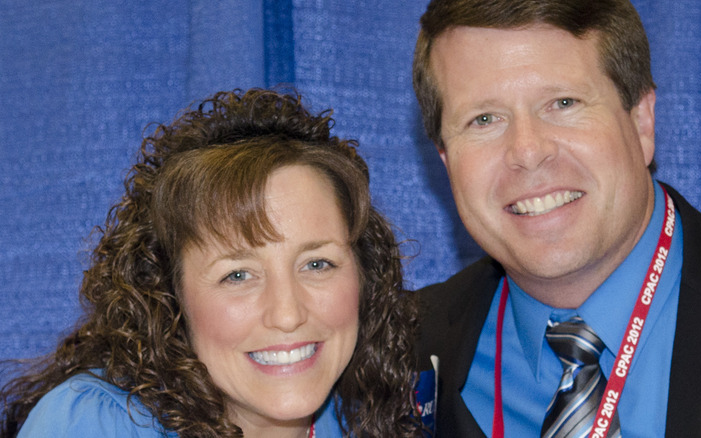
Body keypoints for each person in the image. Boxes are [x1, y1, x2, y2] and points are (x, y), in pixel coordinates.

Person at [411, 0, 701, 437]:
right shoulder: (400, 353)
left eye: (563, 103)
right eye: (484, 119)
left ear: (642, 121)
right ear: (445, 159)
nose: (528, 152)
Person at [0, 88, 424, 437]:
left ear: (365, 274)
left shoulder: (371, 421)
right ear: (167, 296)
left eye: (317, 264)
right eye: (237, 275)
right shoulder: (93, 426)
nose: (288, 313)